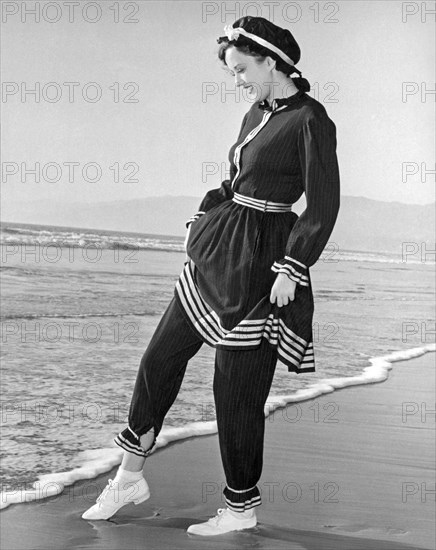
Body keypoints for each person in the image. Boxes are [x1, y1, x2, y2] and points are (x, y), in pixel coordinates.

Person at [81, 15, 340, 536]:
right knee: (160, 358)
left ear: (271, 61)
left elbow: (324, 201)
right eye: (232, 73)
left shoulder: (312, 120)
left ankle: (241, 507)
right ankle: (128, 475)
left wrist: (294, 265)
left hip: (264, 266)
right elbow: (236, 180)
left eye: (242, 70)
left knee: (235, 393)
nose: (237, 81)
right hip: (221, 248)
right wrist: (202, 216)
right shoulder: (255, 113)